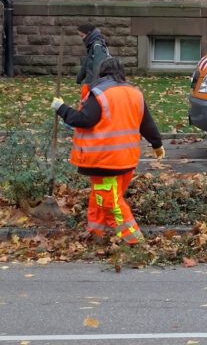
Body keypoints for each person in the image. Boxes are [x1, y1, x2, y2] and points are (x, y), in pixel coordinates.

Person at [50, 57, 164, 245]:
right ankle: (96, 233)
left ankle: (134, 242)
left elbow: (84, 120)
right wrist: (157, 144)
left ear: (101, 73)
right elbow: (147, 124)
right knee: (101, 197)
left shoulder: (99, 94)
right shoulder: (135, 93)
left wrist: (61, 108)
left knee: (111, 204)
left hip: (104, 161)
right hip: (127, 161)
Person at [75, 23, 110, 100]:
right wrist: (79, 78)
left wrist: (95, 84)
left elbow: (99, 66)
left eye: (82, 36)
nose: (82, 39)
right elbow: (87, 63)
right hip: (90, 82)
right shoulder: (92, 45)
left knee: (88, 104)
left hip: (94, 84)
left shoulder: (97, 45)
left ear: (89, 34)